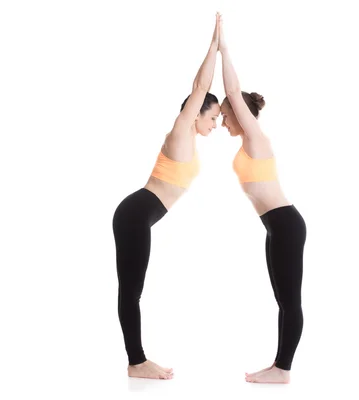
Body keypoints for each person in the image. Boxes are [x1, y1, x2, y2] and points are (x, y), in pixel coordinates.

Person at [112, 13, 221, 380]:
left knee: (132, 289)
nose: (216, 124)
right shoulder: (181, 131)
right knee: (132, 290)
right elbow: (199, 84)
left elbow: (201, 91)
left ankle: (137, 361)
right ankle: (136, 362)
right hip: (134, 213)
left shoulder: (190, 140)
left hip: (140, 214)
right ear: (196, 113)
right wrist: (215, 45)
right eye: (213, 117)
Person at [217, 14, 306, 384]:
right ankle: (277, 366)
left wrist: (222, 49)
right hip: (275, 227)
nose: (223, 122)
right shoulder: (246, 142)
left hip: (285, 223)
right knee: (282, 300)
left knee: (290, 300)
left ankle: (283, 371)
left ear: (242, 116)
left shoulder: (255, 138)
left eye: (226, 117)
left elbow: (234, 94)